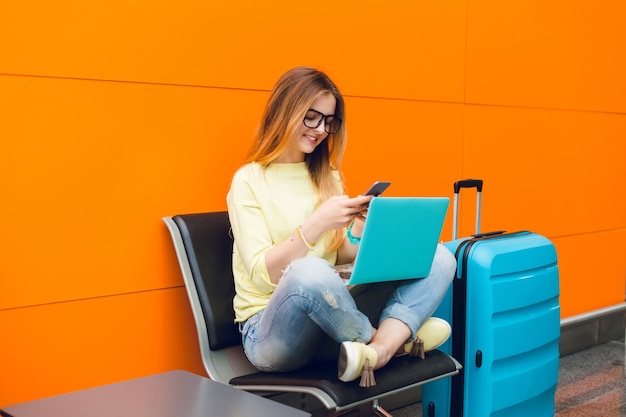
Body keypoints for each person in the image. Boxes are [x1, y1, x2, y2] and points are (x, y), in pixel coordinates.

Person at [226, 66, 456, 387]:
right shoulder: (248, 181)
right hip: (271, 334)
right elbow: (267, 276)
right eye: (311, 117)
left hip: (331, 324)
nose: (320, 129)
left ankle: (375, 351)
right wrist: (317, 223)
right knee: (307, 270)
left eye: (328, 121)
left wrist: (360, 229)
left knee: (439, 256)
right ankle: (392, 341)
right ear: (285, 110)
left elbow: (340, 255)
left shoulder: (327, 175)